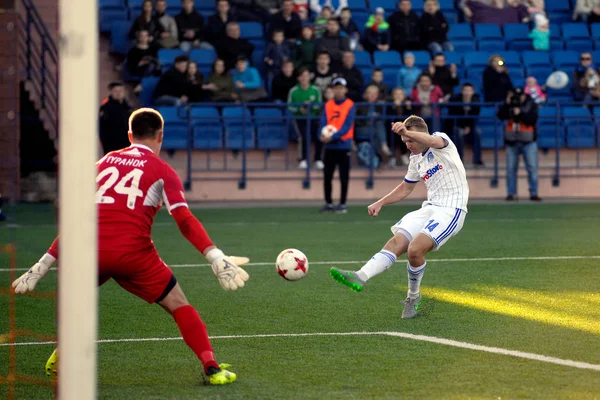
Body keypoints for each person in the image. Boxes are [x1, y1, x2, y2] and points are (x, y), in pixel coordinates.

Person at [12, 108, 249, 384]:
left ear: (129, 135)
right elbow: (184, 220)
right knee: (179, 304)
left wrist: (41, 267)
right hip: (133, 255)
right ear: (161, 136)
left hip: (89, 253)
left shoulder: (102, 163)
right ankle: (211, 367)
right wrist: (215, 256)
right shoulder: (163, 171)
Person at [329, 115, 469, 319]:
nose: (408, 145)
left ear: (421, 134)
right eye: (405, 142)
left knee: (414, 250)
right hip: (429, 208)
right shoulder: (415, 159)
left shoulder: (441, 141)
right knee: (397, 242)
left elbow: (431, 141)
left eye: (411, 140)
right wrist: (380, 202)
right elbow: (405, 188)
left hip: (451, 210)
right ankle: (360, 276)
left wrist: (406, 131)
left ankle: (413, 298)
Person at [497, 87, 541, 201]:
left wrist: (520, 113)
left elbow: (532, 119)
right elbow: (500, 115)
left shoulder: (531, 104)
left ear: (524, 96)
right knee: (511, 169)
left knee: (532, 168)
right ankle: (511, 193)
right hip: (512, 140)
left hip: (528, 140)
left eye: (520, 96)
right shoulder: (509, 104)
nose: (518, 98)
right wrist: (507, 104)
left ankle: (534, 193)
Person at [319, 78, 355, 214]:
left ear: (345, 89)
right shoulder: (328, 105)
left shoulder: (350, 105)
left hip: (343, 145)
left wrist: (332, 137)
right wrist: (321, 135)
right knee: (327, 176)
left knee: (343, 177)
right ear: (333, 89)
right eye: (336, 88)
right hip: (330, 147)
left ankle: (342, 203)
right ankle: (328, 203)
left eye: (341, 88)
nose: (339, 90)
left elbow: (347, 126)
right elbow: (323, 122)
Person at [288, 68, 324, 169]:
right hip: (300, 118)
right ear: (298, 78)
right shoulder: (293, 91)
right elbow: (290, 106)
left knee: (319, 136)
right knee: (304, 136)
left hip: (314, 117)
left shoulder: (316, 90)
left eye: (306, 76)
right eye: (302, 76)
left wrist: (310, 107)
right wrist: (300, 109)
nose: (304, 78)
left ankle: (318, 159)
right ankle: (303, 159)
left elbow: (319, 104)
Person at [447, 83, 483, 166]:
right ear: (462, 91)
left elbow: (475, 117)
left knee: (478, 132)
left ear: (473, 92)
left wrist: (469, 127)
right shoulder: (456, 100)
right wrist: (464, 127)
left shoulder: (476, 101)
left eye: (469, 91)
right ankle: (459, 160)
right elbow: (453, 116)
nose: (467, 93)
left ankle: (477, 160)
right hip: (458, 125)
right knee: (459, 133)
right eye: (465, 90)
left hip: (471, 125)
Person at [99, 82, 133, 155]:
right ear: (111, 92)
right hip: (112, 146)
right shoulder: (106, 108)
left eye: (120, 91)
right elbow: (102, 129)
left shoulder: (128, 107)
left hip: (127, 145)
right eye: (115, 91)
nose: (118, 93)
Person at [386, 87, 412, 166]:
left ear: (404, 96)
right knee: (392, 136)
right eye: (396, 94)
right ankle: (392, 157)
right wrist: (394, 106)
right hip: (392, 127)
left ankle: (403, 155)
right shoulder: (389, 104)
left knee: (405, 135)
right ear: (393, 96)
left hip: (404, 128)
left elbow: (410, 117)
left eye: (400, 94)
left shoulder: (407, 104)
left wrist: (408, 108)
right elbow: (388, 116)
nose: (398, 96)